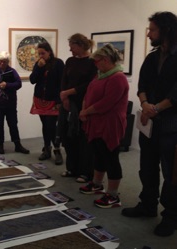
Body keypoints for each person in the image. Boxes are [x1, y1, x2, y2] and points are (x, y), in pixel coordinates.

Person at [122, 11, 177, 237]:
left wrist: (155, 108)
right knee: (147, 166)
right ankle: (147, 205)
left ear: (166, 30)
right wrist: (145, 104)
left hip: (172, 125)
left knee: (171, 173)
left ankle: (171, 217)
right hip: (150, 121)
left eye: (152, 30)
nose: (148, 34)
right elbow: (142, 83)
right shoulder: (153, 57)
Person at [78, 43, 129, 209]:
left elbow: (106, 103)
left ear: (106, 60)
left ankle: (113, 195)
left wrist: (86, 111)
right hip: (96, 121)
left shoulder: (118, 78)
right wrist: (84, 108)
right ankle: (97, 183)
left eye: (97, 61)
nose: (95, 64)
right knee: (99, 154)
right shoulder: (100, 75)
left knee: (111, 157)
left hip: (110, 124)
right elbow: (88, 93)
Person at [56, 33, 97, 182]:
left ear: (80, 46)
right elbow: (64, 80)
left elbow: (90, 84)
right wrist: (64, 96)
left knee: (83, 139)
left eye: (72, 47)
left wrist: (69, 92)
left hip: (84, 104)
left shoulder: (92, 62)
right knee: (68, 136)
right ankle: (72, 168)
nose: (70, 50)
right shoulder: (70, 61)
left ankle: (85, 172)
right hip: (68, 104)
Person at [0, 51, 29, 154]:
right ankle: (0, 145)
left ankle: (17, 144)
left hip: (10, 103)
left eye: (4, 62)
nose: (2, 64)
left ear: (8, 61)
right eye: (0, 61)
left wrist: (7, 85)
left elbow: (19, 84)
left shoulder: (12, 72)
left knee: (13, 124)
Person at [29, 42, 64, 163]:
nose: (41, 56)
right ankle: (47, 149)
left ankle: (57, 150)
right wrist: (38, 67)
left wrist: (60, 100)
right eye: (39, 54)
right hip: (40, 99)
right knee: (45, 125)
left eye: (43, 53)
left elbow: (62, 82)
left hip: (53, 100)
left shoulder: (58, 63)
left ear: (49, 52)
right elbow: (32, 80)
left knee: (51, 126)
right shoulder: (38, 64)